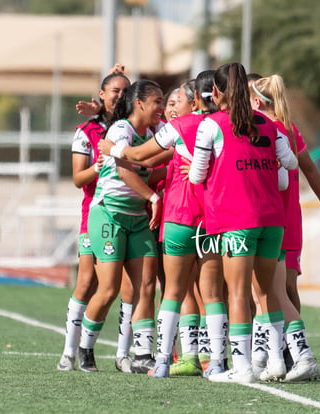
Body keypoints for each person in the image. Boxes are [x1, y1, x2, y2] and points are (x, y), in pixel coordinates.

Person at [100, 70, 228, 379]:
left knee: (173, 290)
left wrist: (112, 149)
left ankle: (160, 363)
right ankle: (220, 362)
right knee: (213, 294)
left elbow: (142, 157)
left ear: (196, 98)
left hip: (179, 216)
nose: (169, 107)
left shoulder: (179, 127)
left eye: (176, 100)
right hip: (212, 219)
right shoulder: (229, 125)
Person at [187, 62, 298, 384]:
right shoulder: (267, 124)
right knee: (267, 293)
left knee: (236, 293)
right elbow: (288, 166)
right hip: (272, 220)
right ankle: (276, 361)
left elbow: (196, 174)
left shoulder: (211, 125)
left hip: (235, 220)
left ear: (216, 92)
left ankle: (243, 367)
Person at [77, 79, 166, 373]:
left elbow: (153, 163)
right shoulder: (120, 130)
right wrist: (152, 196)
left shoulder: (153, 132)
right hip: (109, 214)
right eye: (157, 101)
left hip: (137, 218)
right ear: (139, 103)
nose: (162, 108)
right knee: (109, 288)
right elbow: (124, 170)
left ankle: (142, 355)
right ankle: (85, 348)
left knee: (146, 287)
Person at [57, 71, 131, 371]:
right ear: (101, 93)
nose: (120, 96)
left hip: (132, 211)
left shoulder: (134, 126)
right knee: (87, 282)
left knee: (131, 287)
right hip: (97, 213)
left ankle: (124, 354)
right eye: (114, 90)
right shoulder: (86, 131)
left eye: (125, 91)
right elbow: (78, 178)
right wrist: (99, 167)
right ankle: (69, 352)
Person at [251, 75, 320, 313]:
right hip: (266, 218)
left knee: (282, 288)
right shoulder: (254, 130)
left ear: (257, 102)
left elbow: (310, 169)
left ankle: (291, 344)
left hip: (281, 219)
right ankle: (274, 343)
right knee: (272, 288)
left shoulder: (285, 130)